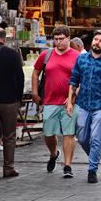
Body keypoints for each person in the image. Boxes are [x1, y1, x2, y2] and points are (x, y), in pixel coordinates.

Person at [67, 30, 101, 184]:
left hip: (100, 106)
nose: (97, 42)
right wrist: (70, 102)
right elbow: (73, 81)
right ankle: (95, 155)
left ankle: (92, 170)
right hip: (83, 104)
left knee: (96, 139)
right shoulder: (81, 59)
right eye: (95, 39)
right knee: (83, 137)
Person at [32, 25, 80, 178]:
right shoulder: (46, 55)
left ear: (68, 38)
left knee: (69, 133)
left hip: (70, 102)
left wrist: (73, 95)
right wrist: (34, 92)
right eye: (56, 39)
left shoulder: (77, 56)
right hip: (50, 100)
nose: (58, 42)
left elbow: (83, 78)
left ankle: (67, 166)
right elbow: (35, 72)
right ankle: (54, 154)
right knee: (48, 132)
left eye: (61, 39)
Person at [0, 28, 24, 180]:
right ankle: (9, 168)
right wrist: (18, 98)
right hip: (10, 101)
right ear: (4, 39)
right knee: (9, 136)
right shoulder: (12, 54)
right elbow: (20, 78)